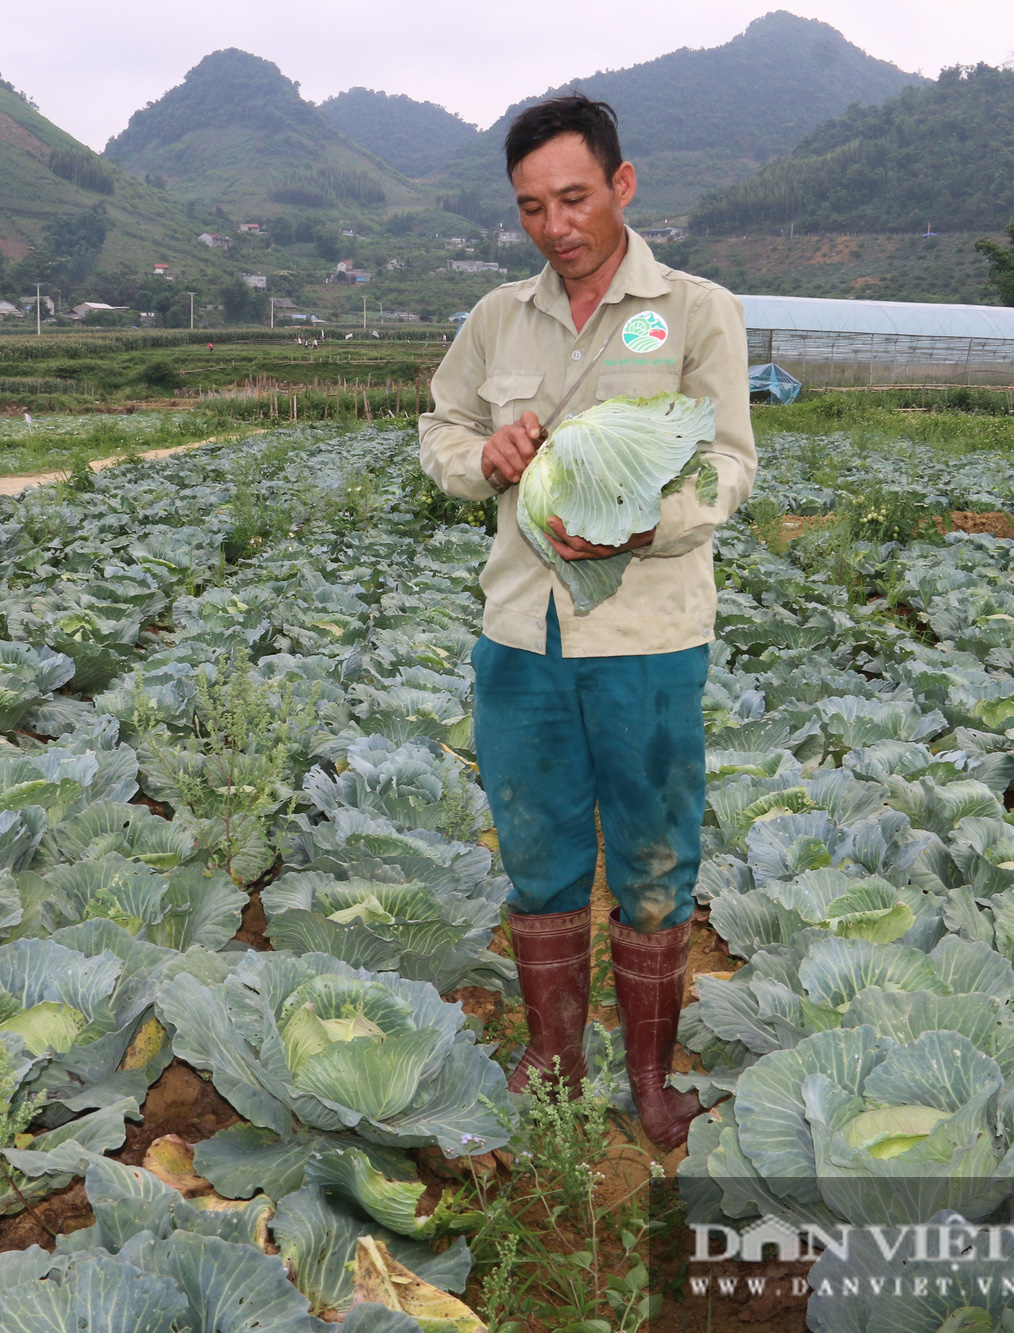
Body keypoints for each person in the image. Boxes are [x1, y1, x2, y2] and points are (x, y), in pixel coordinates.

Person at [418, 94, 756, 1151]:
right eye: (529, 208)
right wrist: (484, 460)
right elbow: (440, 430)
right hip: (522, 637)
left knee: (655, 859)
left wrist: (640, 521)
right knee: (537, 852)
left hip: (648, 638)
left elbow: (730, 462)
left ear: (621, 185)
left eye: (572, 197)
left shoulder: (695, 311)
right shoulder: (493, 321)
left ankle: (650, 1078)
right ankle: (553, 1057)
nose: (554, 225)